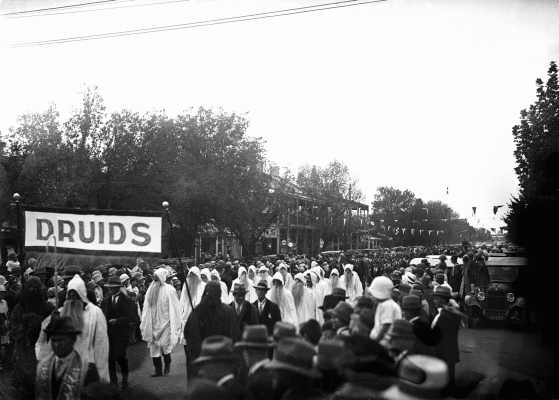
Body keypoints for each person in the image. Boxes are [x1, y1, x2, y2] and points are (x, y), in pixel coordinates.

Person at [35, 274, 110, 382]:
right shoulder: (60, 313)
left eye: (76, 295)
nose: (73, 299)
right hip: (64, 368)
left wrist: (102, 372)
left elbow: (101, 344)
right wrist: (43, 361)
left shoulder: (96, 313)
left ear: (82, 295)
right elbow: (42, 341)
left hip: (88, 366)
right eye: (70, 295)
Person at [184, 281, 240, 378]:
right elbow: (235, 337)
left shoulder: (197, 312)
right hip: (222, 361)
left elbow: (188, 335)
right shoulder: (198, 313)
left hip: (205, 362)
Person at [10, 277, 53, 399]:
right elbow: (14, 328)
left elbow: (54, 329)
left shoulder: (47, 307)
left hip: (43, 348)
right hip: (24, 348)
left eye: (36, 288)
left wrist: (41, 323)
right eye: (30, 288)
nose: (33, 290)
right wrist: (25, 325)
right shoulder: (19, 308)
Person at [35, 316, 98, 400]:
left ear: (73, 340)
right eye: (54, 340)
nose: (56, 345)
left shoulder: (87, 369)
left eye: (61, 340)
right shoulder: (42, 365)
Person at [140, 267, 182, 377]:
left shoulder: (170, 290)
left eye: (157, 278)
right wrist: (145, 320)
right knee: (154, 349)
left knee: (166, 348)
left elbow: (175, 307)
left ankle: (167, 367)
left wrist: (175, 321)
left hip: (166, 324)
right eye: (154, 279)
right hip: (153, 324)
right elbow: (146, 307)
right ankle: (157, 371)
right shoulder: (151, 289)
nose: (155, 281)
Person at [101, 276, 138, 389]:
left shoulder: (127, 300)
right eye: (109, 288)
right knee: (110, 358)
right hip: (109, 333)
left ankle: (125, 379)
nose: (110, 289)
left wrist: (118, 321)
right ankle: (114, 382)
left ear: (118, 287)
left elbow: (133, 318)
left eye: (113, 287)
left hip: (122, 333)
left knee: (120, 356)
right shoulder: (106, 300)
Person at [192, 335, 246, 400]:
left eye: (205, 364)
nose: (201, 371)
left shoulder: (230, 393)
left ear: (220, 365)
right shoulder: (233, 388)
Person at [431, 285, 461, 389]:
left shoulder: (445, 316)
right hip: (449, 349)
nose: (434, 301)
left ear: (443, 300)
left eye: (437, 299)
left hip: (444, 350)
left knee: (446, 378)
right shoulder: (450, 312)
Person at [369, 276, 402, 342]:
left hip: (384, 343)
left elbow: (386, 326)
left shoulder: (387, 305)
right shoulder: (383, 304)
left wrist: (376, 342)